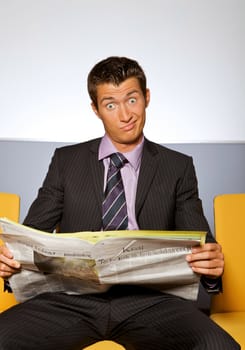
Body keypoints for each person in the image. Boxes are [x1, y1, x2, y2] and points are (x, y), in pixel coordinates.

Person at [0, 56, 240, 350]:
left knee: (219, 345)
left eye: (132, 99)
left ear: (146, 97)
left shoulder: (178, 167)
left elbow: (202, 243)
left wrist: (212, 268)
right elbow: (30, 236)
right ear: (96, 109)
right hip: (71, 301)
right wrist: (9, 260)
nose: (125, 114)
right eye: (111, 104)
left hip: (152, 302)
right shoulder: (66, 161)